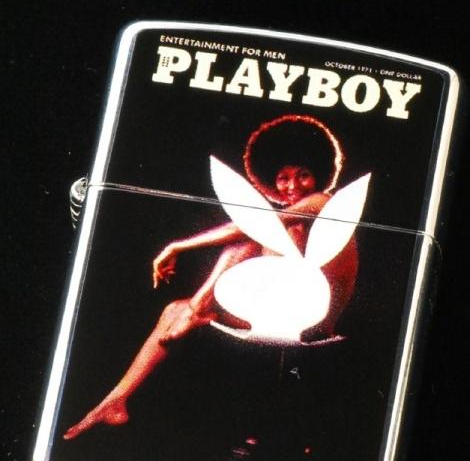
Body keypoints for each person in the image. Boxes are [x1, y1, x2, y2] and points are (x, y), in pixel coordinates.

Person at [63, 164, 358, 440]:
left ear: (319, 176)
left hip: (314, 321)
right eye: (283, 178)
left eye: (303, 174)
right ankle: (115, 401)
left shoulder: (323, 202)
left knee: (252, 234)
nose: (292, 185)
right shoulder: (291, 222)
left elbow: (249, 227)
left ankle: (197, 309)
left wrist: (177, 246)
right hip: (282, 315)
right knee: (174, 310)